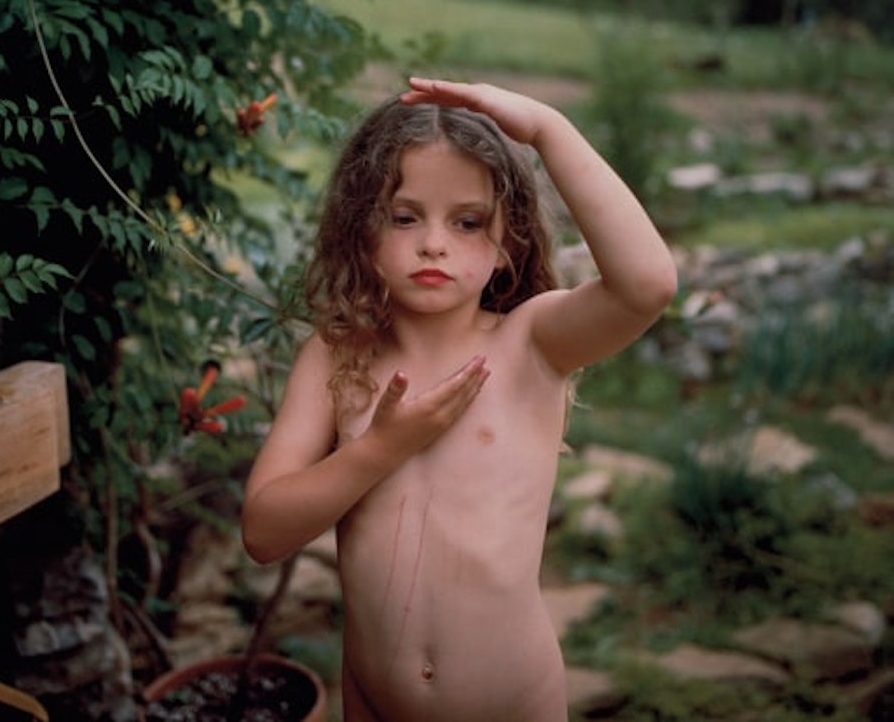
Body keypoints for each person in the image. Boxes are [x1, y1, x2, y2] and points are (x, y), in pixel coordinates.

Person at [242, 77, 677, 722]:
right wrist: (379, 449)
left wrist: (548, 130)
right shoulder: (336, 358)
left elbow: (647, 285)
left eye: (467, 222)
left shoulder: (530, 343)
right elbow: (262, 531)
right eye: (405, 216)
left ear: (508, 246)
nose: (434, 243)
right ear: (361, 231)